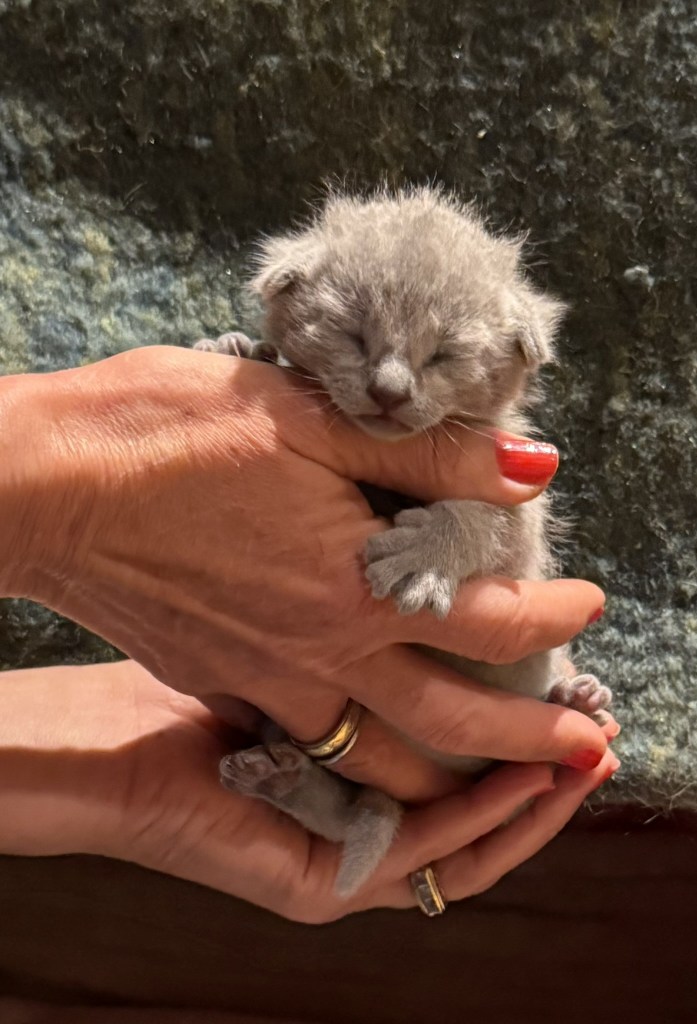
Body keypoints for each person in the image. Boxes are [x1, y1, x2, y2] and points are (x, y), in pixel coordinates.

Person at [0, 344, 619, 922]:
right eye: (356, 339)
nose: (390, 382)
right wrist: (69, 494)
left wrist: (128, 777)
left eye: (442, 353)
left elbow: (504, 543)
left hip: (562, 848)